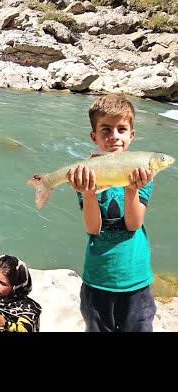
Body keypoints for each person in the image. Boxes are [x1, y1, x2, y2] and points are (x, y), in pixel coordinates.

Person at [66, 93, 156, 332]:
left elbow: (133, 224)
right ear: (94, 136)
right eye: (106, 130)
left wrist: (131, 191)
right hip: (97, 279)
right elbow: (92, 228)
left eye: (121, 129)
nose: (114, 136)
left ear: (131, 135)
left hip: (136, 280)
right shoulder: (86, 173)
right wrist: (88, 193)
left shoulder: (142, 171)